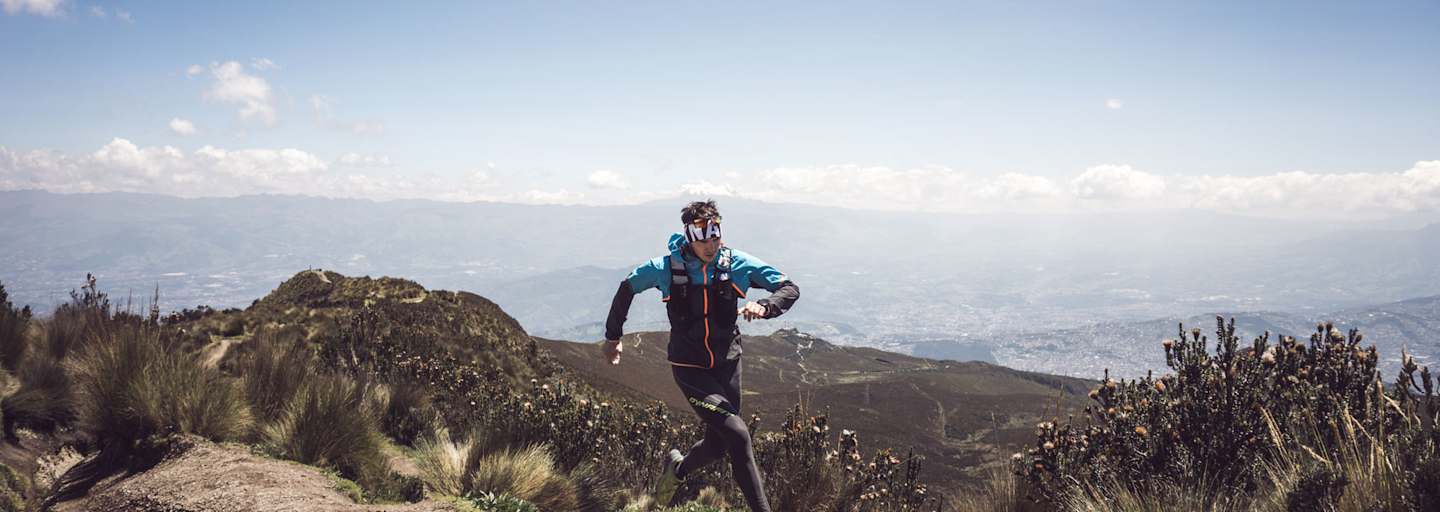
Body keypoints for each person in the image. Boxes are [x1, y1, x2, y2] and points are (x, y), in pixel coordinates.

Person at [602, 200, 799, 511]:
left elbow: (788, 287)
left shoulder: (737, 264)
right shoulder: (665, 268)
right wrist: (613, 337)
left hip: (728, 365)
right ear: (690, 237)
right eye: (703, 239)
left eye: (715, 238)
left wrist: (765, 305)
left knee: (717, 445)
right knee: (738, 435)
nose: (710, 246)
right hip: (690, 368)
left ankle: (677, 469)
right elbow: (627, 288)